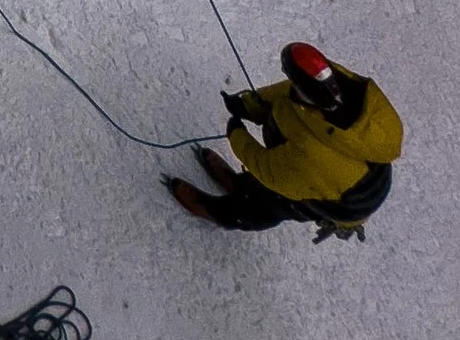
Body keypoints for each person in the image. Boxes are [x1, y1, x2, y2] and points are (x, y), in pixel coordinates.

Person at [164, 41, 401, 236]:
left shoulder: (311, 156)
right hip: (333, 167)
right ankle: (239, 185)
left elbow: (267, 168)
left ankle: (220, 212)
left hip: (342, 199)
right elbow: (288, 92)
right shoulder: (339, 83)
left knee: (271, 203)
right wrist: (249, 104)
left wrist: (236, 134)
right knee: (269, 179)